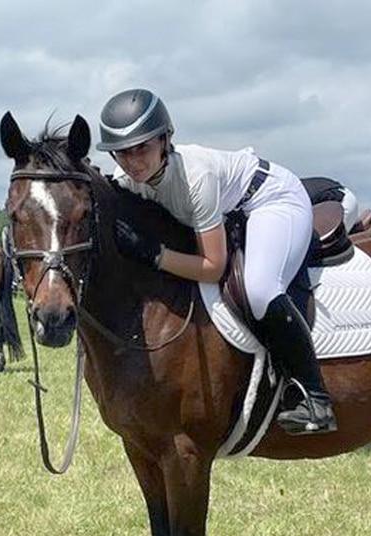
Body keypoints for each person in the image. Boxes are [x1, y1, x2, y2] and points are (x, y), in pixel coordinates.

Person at [100, 88, 335, 435]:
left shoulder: (197, 176)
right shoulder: (131, 182)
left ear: (165, 140)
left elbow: (213, 266)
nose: (134, 162)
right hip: (234, 210)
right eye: (122, 154)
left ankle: (315, 398)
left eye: (143, 148)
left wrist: (154, 255)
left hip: (272, 199)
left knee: (259, 289)